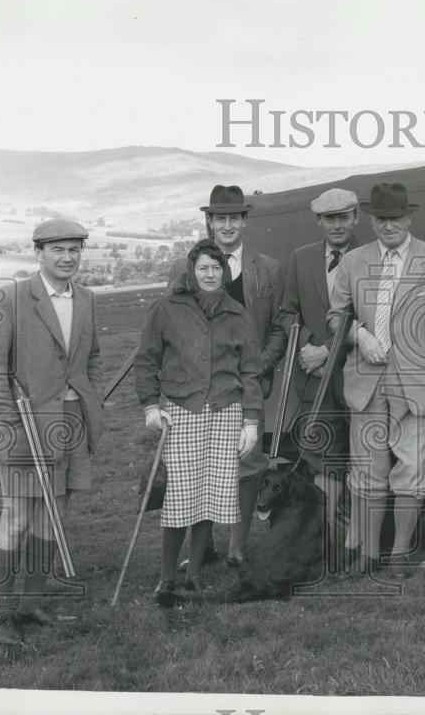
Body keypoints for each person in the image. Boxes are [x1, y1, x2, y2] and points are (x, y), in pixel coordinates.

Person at [328, 182, 425, 578]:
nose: (388, 226)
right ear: (372, 220)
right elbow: (335, 316)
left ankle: (399, 555)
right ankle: (369, 554)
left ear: (409, 217)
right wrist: (358, 334)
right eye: (381, 219)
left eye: (395, 218)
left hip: (418, 386)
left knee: (412, 472)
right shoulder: (353, 262)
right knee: (367, 472)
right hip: (366, 383)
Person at [0, 219, 105, 645]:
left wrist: (91, 400)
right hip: (24, 429)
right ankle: (1, 615)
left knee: (54, 516)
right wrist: (9, 435)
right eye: (58, 250)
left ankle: (31, 602)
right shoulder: (11, 298)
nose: (68, 257)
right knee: (17, 517)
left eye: (74, 250)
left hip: (71, 426)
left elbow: (93, 361)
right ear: (39, 253)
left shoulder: (85, 299)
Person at [136, 239, 263, 605]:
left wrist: (251, 422)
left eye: (216, 267)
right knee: (179, 496)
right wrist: (149, 407)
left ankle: (193, 577)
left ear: (224, 271)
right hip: (182, 410)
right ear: (191, 271)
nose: (210, 274)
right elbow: (147, 360)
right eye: (203, 268)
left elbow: (252, 371)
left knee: (209, 497)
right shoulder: (167, 308)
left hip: (226, 411)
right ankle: (166, 578)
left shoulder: (237, 313)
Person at [169, 185, 284, 569]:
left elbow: (281, 325)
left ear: (245, 221)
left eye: (235, 217)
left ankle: (238, 546)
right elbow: (174, 327)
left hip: (249, 385)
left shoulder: (267, 268)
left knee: (249, 462)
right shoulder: (187, 268)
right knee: (199, 463)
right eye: (221, 218)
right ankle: (203, 550)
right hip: (201, 389)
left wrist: (261, 365)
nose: (228, 225)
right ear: (210, 222)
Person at [273, 187, 363, 565]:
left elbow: (375, 317)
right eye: (330, 218)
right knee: (321, 461)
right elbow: (287, 312)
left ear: (356, 218)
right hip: (314, 382)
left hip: (360, 377)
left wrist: (329, 349)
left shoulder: (373, 257)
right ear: (319, 222)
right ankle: (324, 540)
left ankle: (358, 543)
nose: (338, 224)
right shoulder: (301, 258)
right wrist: (309, 347)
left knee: (362, 461)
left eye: (345, 216)